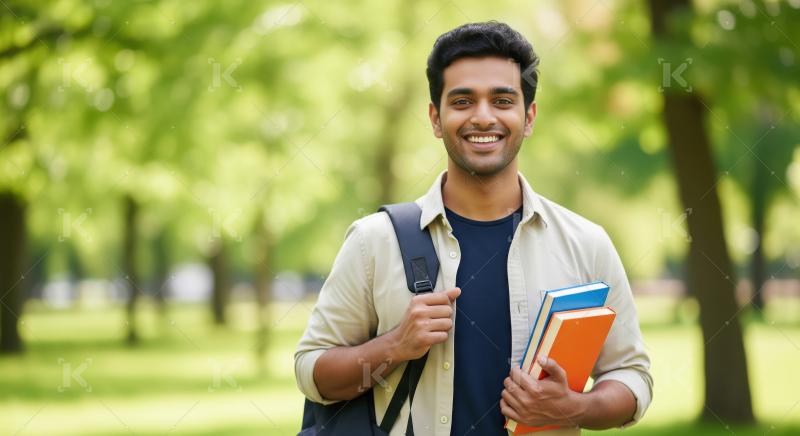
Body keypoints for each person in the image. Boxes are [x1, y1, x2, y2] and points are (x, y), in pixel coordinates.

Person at [295, 21, 652, 435]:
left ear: (529, 116)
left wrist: (573, 407)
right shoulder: (374, 242)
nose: (483, 117)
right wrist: (394, 346)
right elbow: (312, 373)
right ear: (435, 117)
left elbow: (631, 377)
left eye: (502, 100)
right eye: (463, 101)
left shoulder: (585, 243)